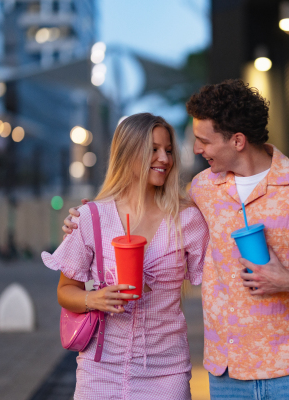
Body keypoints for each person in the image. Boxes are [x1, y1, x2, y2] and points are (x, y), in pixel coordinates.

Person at [64, 79, 289, 400]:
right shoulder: (204, 189)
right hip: (227, 374)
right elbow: (149, 202)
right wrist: (87, 218)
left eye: (203, 140)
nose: (194, 149)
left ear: (237, 141)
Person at [45, 113, 208, 400]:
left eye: (168, 150)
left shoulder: (187, 219)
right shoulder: (91, 217)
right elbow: (65, 291)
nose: (165, 158)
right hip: (100, 368)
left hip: (166, 369)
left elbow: (217, 281)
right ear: (129, 153)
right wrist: (92, 299)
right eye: (154, 149)